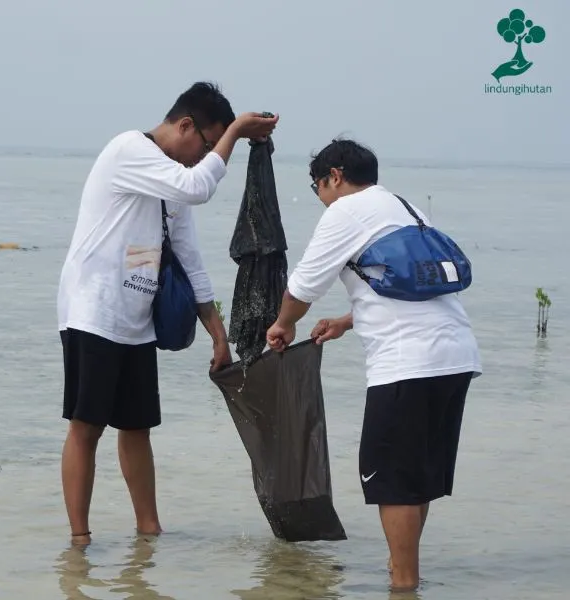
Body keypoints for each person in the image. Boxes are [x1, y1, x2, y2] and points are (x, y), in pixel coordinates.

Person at [56, 81, 279, 546]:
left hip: (137, 321)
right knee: (87, 425)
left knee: (138, 427)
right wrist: (237, 131)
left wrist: (218, 334)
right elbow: (199, 187)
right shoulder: (128, 151)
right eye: (208, 141)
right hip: (93, 311)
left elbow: (190, 260)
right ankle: (80, 541)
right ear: (184, 125)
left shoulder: (171, 180)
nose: (206, 155)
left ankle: (148, 531)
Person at [266, 138, 482, 592]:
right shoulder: (403, 207)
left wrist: (283, 326)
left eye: (317, 186)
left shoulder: (344, 212)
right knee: (416, 476)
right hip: (456, 356)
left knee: (395, 481)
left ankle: (403, 584)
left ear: (336, 177)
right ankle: (402, 572)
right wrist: (349, 320)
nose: (320, 195)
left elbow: (300, 289)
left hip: (407, 363)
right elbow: (412, 286)